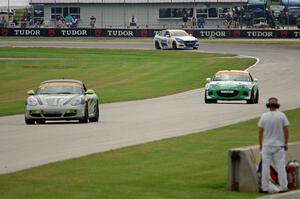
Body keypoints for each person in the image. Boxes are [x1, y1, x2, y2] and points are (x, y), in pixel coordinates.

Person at [258, 97, 289, 193]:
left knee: (265, 167)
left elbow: (260, 131)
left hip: (267, 145)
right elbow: (286, 130)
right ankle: (284, 186)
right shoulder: (282, 116)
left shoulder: (264, 116)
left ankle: (265, 187)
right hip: (279, 145)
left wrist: (261, 144)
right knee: (280, 166)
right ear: (277, 105)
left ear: (268, 105)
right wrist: (286, 143)